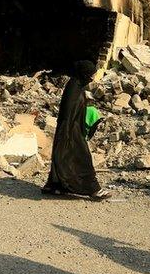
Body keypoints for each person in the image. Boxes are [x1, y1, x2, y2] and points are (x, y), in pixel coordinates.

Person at [42, 60, 109, 200]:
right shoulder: (74, 88)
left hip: (71, 128)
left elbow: (75, 108)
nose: (92, 78)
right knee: (82, 158)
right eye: (91, 75)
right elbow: (69, 112)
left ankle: (55, 186)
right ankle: (93, 189)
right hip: (70, 130)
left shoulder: (77, 85)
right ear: (84, 74)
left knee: (64, 156)